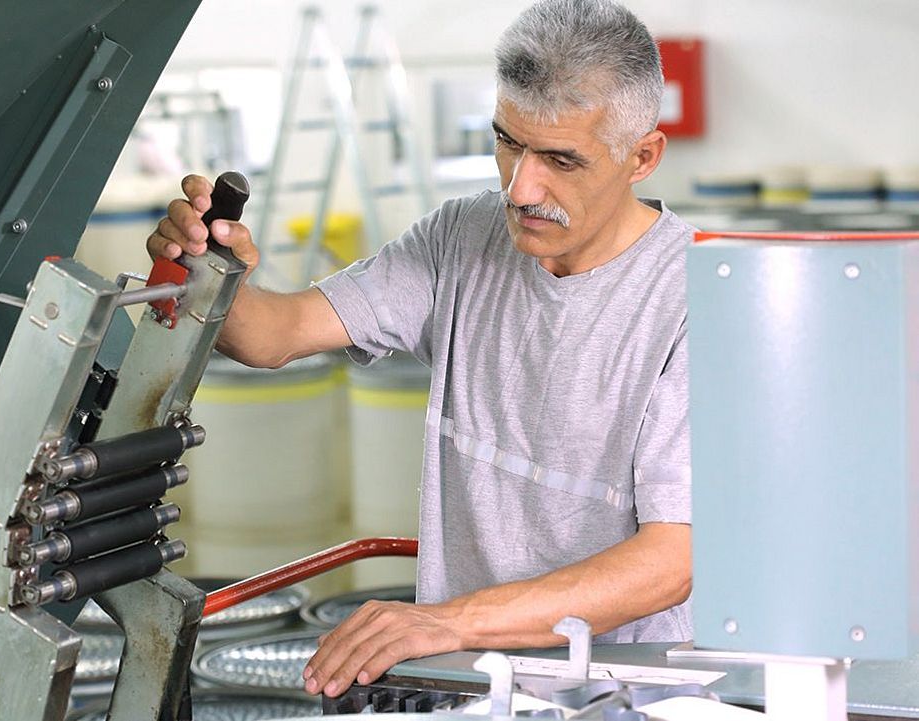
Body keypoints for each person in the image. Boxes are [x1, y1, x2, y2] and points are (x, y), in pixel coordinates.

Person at [148, 0, 692, 700]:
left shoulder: (693, 300)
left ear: (642, 155)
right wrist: (214, 271)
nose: (520, 188)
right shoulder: (461, 240)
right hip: (474, 688)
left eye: (561, 159)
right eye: (507, 143)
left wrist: (444, 620)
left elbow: (669, 562)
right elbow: (272, 334)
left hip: (623, 696)